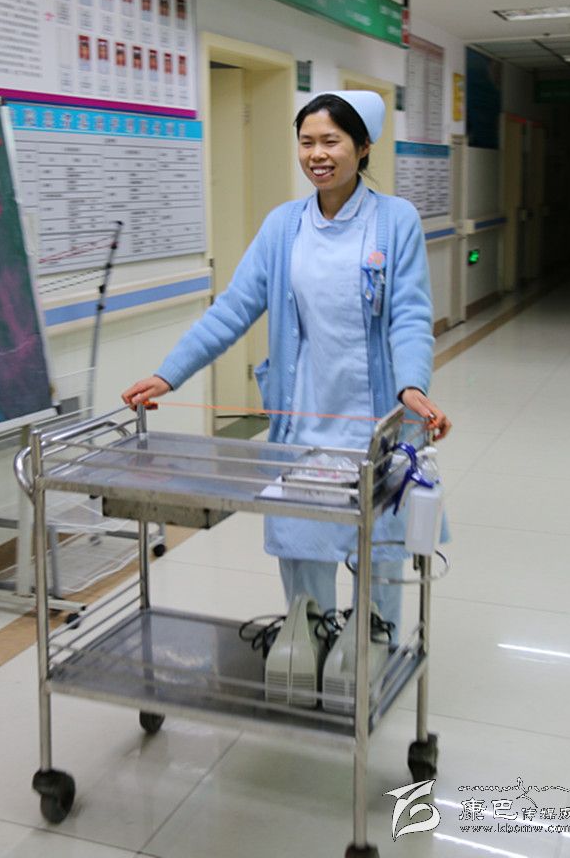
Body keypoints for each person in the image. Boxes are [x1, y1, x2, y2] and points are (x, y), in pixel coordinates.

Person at [122, 91, 451, 635]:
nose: (317, 154)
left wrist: (412, 385)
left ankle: (377, 646)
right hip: (303, 422)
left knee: (379, 553)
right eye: (306, 142)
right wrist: (167, 373)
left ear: (362, 147)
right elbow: (233, 308)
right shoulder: (284, 226)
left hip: (375, 424)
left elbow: (410, 315)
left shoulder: (395, 221)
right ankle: (310, 640)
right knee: (303, 546)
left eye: (331, 141)